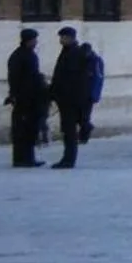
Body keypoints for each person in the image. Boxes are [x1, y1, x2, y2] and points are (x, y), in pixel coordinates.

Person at [49, 27, 91, 168]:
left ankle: (69, 159)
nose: (61, 40)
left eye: (64, 37)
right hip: (67, 99)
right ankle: (68, 157)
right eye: (61, 37)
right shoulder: (67, 52)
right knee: (68, 130)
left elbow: (70, 79)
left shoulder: (74, 53)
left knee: (69, 130)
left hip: (71, 99)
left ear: (71, 38)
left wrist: (60, 93)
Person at [6, 28, 47, 167]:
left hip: (28, 96)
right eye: (34, 39)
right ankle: (23, 158)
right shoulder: (22, 56)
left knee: (27, 128)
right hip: (26, 97)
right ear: (28, 40)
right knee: (24, 129)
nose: (36, 42)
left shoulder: (25, 54)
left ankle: (25, 157)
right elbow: (17, 78)